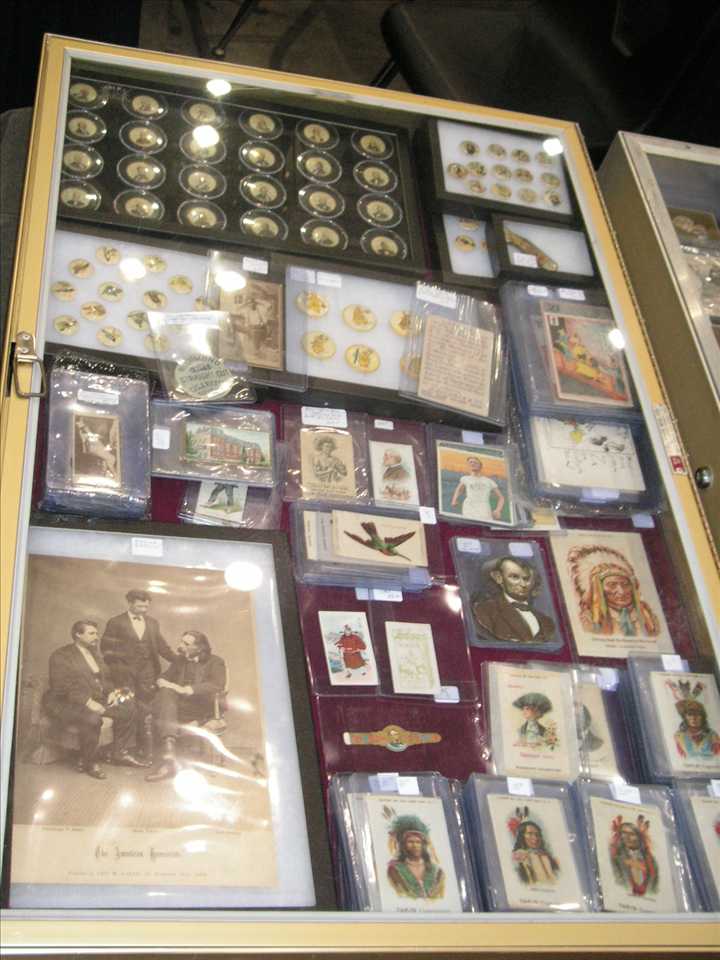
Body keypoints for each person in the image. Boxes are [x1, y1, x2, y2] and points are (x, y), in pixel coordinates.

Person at [42, 620, 148, 779]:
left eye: (97, 633)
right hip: (65, 703)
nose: (97, 637)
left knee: (129, 705)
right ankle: (89, 762)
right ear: (78, 634)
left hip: (96, 698)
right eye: (91, 633)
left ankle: (118, 752)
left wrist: (111, 692)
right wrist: (88, 702)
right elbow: (61, 686)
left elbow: (105, 677)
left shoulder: (94, 653)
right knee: (92, 719)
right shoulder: (61, 656)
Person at [101, 589, 175, 759]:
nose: (143, 610)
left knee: (145, 709)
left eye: (146, 607)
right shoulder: (115, 622)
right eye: (140, 606)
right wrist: (119, 669)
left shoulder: (152, 623)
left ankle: (143, 747)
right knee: (125, 708)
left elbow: (162, 647)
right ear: (130, 603)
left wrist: (179, 660)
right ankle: (121, 750)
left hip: (147, 674)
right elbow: (106, 650)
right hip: (123, 674)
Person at [145, 631, 227, 782]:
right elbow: (164, 676)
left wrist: (188, 689)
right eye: (181, 642)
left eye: (186, 644)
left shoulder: (216, 662)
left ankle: (168, 760)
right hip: (178, 707)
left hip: (202, 708)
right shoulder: (180, 660)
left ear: (199, 648)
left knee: (165, 701)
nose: (180, 646)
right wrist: (162, 682)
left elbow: (217, 685)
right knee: (165, 693)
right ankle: (170, 756)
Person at [568, 544, 661, 637]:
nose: (621, 591)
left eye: (625, 584)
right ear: (598, 589)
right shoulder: (590, 619)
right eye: (612, 585)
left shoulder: (648, 617)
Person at [471, 556, 556, 645]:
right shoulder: (484, 610)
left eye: (526, 579)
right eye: (515, 577)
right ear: (498, 578)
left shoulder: (546, 621)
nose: (523, 584)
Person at [387, 814, 445, 900]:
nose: (415, 845)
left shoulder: (437, 871)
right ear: (403, 845)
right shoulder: (395, 870)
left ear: (423, 845)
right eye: (410, 842)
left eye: (418, 842)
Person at [610, 816, 658, 896]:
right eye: (624, 833)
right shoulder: (617, 857)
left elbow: (654, 882)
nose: (627, 837)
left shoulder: (649, 859)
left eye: (632, 834)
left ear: (639, 837)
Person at [449, 456, 505, 522]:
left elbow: (501, 497)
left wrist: (498, 510)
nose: (472, 464)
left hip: (484, 509)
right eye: (470, 462)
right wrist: (454, 500)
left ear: (480, 466)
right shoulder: (465, 478)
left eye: (475, 462)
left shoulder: (489, 481)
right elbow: (459, 490)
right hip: (469, 508)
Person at [510, 816, 559, 885]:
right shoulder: (519, 857)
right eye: (530, 833)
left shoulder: (546, 856)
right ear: (522, 836)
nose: (535, 838)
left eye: (537, 834)